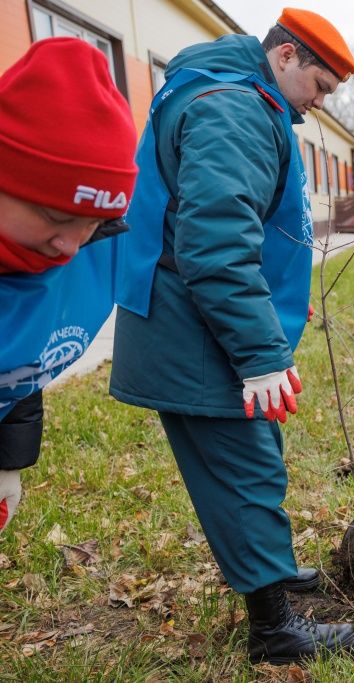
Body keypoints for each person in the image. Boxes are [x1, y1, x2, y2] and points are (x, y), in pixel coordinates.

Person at [108, 8, 354, 664]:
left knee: (253, 457)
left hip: (202, 322)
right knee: (246, 470)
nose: (322, 101)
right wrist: (259, 354)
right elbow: (216, 245)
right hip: (199, 329)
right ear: (283, 58)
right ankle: (274, 630)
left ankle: (268, 572)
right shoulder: (234, 110)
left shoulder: (237, 95)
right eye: (321, 84)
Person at [0, 38, 137, 535]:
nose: (71, 246)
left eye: (93, 223)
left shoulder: (99, 243)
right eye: (56, 216)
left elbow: (20, 368)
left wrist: (8, 464)